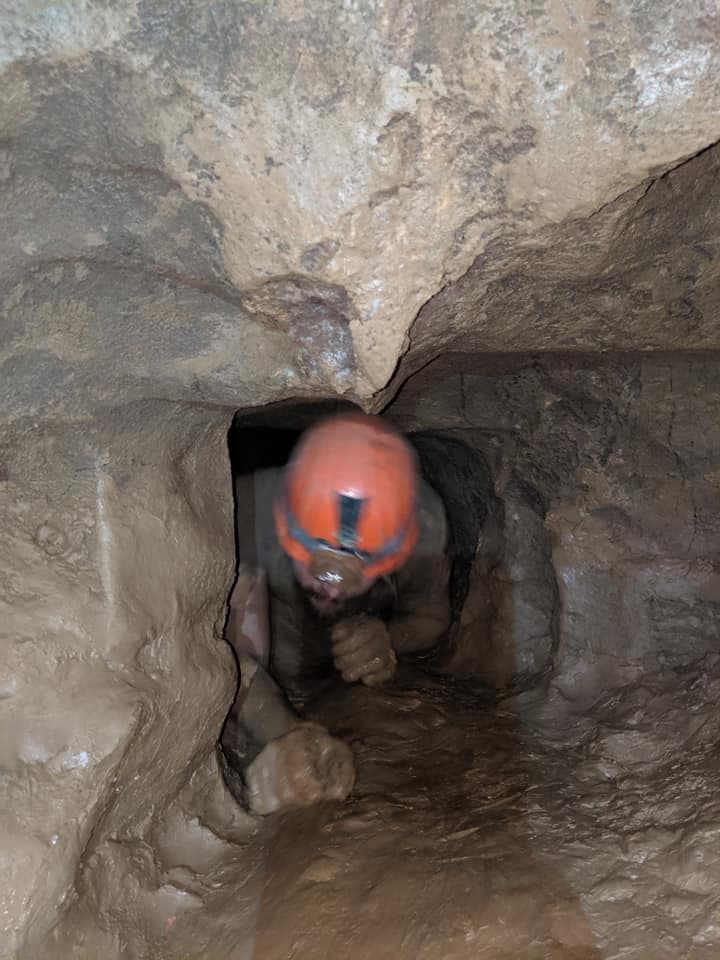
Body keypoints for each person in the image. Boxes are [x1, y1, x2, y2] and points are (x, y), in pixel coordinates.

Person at [220, 412, 451, 815]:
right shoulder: (247, 510)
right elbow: (227, 661)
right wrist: (284, 731)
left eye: (352, 573)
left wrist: (389, 638)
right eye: (316, 565)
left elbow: (433, 618)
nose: (330, 587)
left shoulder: (421, 524)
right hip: (283, 626)